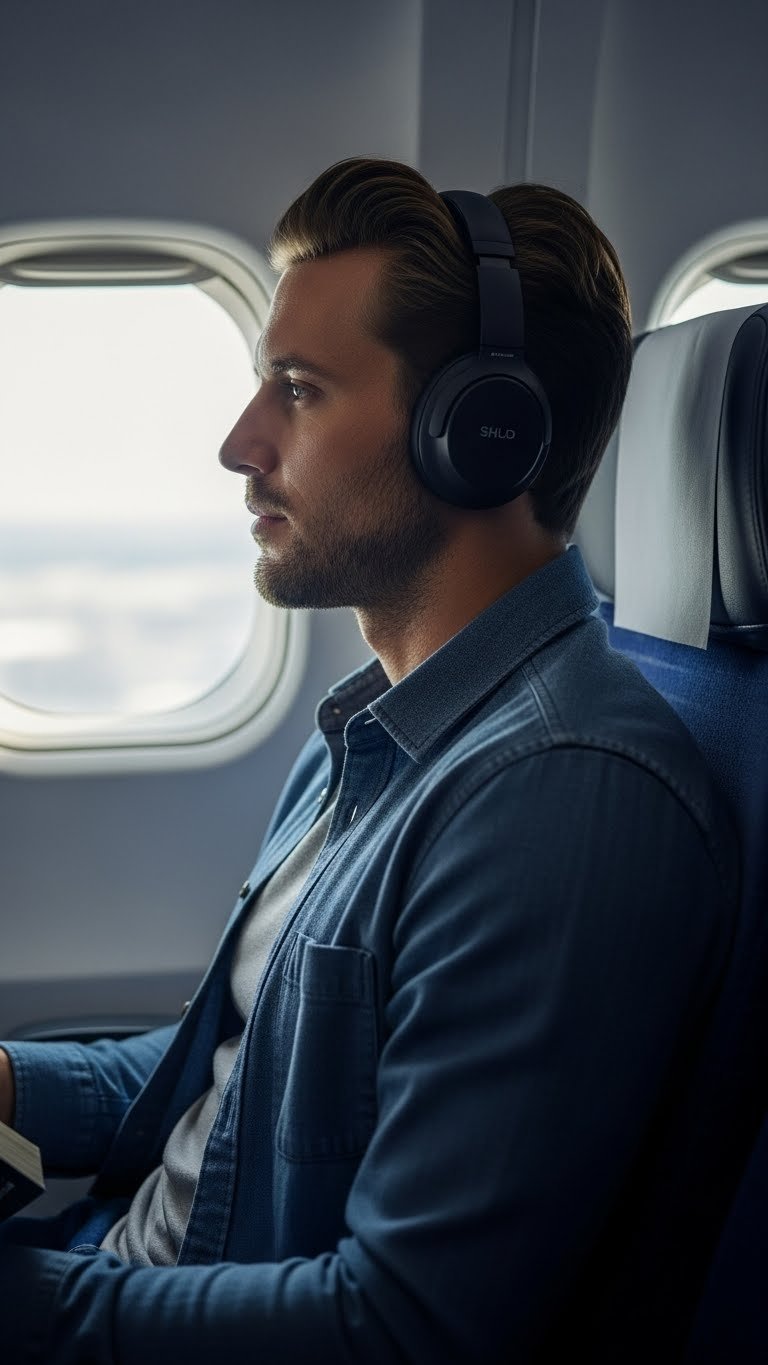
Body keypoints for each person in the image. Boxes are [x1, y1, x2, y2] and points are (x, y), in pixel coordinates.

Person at [0, 157, 738, 1364]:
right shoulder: (376, 732)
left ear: (481, 436)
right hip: (120, 1271)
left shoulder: (563, 792)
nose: (240, 445)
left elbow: (405, 1329)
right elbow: (253, 1070)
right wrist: (10, 1086)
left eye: (297, 390)